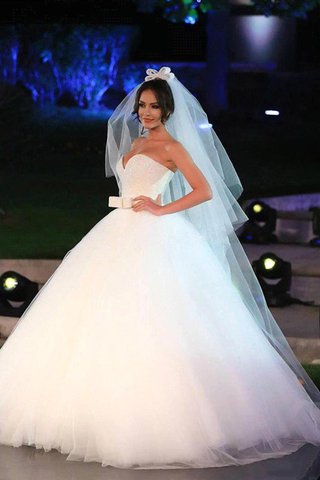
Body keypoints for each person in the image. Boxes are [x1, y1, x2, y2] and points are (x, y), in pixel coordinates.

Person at [0, 66, 319, 470]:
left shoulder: (172, 147)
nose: (146, 112)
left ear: (167, 110)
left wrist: (162, 208)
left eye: (153, 106)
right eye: (142, 106)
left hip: (152, 234)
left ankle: (151, 421)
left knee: (154, 317)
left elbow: (204, 190)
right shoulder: (136, 140)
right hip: (116, 231)